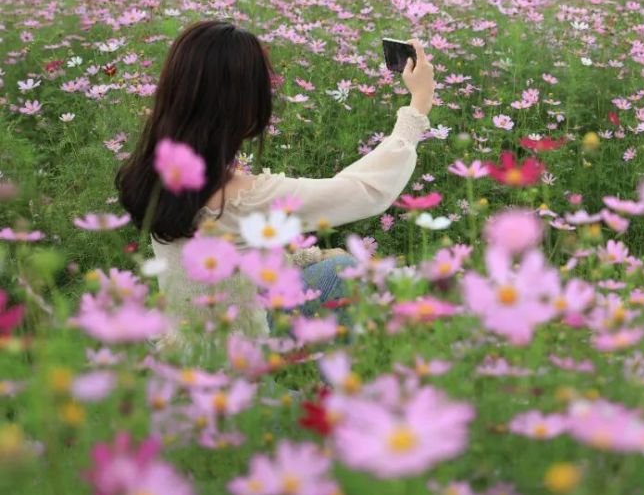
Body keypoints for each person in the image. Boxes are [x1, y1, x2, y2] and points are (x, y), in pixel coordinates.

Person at [115, 21, 435, 352]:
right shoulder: (244, 197)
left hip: (186, 341)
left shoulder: (149, 174)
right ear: (243, 104)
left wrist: (310, 256)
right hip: (237, 359)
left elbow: (234, 265)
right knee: (343, 271)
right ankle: (333, 394)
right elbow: (364, 192)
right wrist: (419, 104)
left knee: (328, 261)